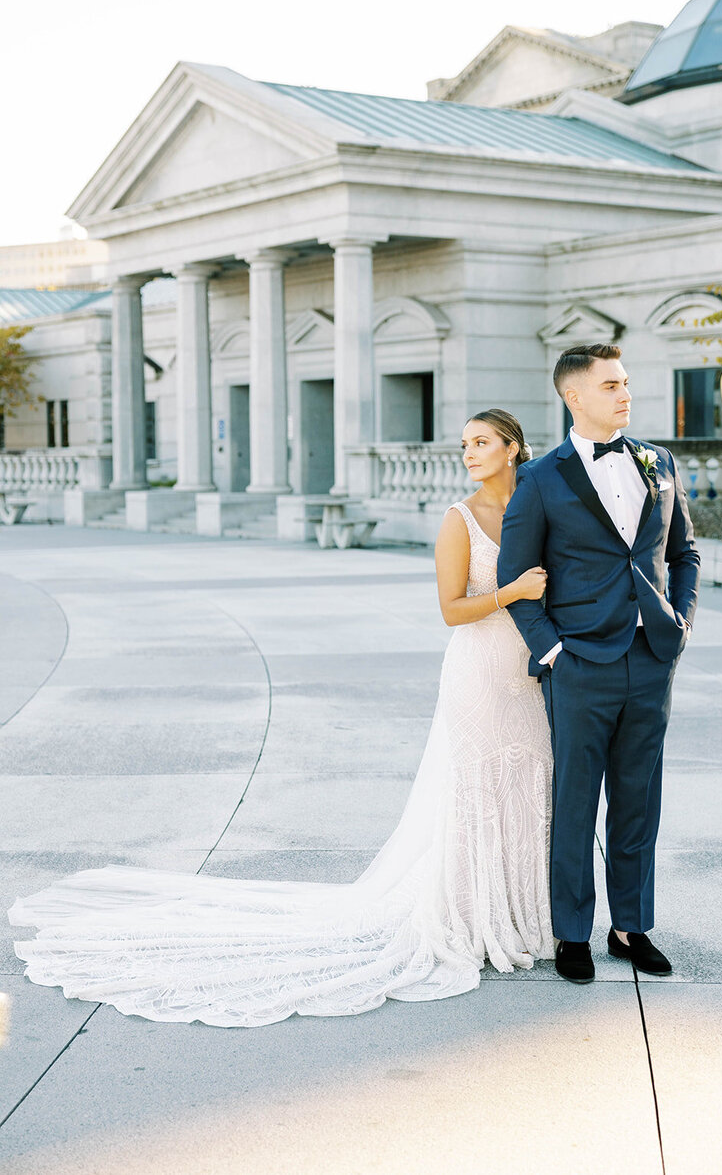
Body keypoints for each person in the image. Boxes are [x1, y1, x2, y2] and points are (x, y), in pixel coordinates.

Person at [9, 410, 554, 1028]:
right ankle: (471, 919)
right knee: (475, 792)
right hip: (477, 675)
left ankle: (519, 914)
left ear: (512, 449)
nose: (468, 453)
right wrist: (512, 593)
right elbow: (451, 610)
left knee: (526, 790)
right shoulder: (459, 520)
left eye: (481, 443)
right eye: (464, 445)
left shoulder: (537, 510)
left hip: (529, 677)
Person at [498, 343, 701, 985]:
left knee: (639, 800)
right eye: (610, 384)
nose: (625, 393)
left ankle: (630, 927)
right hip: (579, 660)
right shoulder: (540, 479)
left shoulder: (657, 460)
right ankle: (570, 934)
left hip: (650, 655)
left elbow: (684, 553)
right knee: (575, 800)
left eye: (626, 382)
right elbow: (516, 576)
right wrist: (552, 648)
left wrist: (681, 620)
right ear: (573, 396)